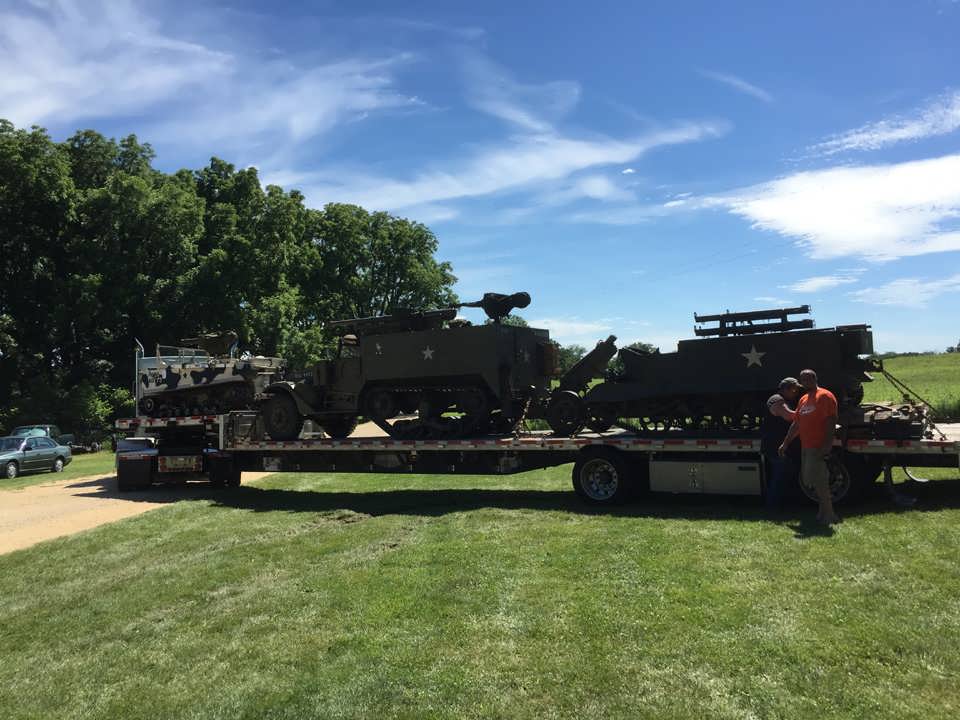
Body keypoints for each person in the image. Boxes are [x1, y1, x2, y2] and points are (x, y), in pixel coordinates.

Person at [779, 369, 840, 525]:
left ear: (814, 379)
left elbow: (831, 421)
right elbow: (796, 423)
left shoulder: (824, 396)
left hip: (818, 446)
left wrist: (827, 444)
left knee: (820, 481)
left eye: (808, 379)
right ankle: (822, 512)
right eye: (803, 380)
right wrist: (786, 443)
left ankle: (830, 515)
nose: (805, 382)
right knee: (812, 481)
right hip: (806, 446)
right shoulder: (804, 399)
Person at [761, 377, 802, 512]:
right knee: (780, 476)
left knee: (785, 474)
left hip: (780, 446)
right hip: (775, 446)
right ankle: (773, 507)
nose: (796, 393)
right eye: (794, 390)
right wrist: (810, 413)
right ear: (786, 389)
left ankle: (781, 505)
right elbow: (789, 416)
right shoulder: (777, 400)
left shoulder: (786, 400)